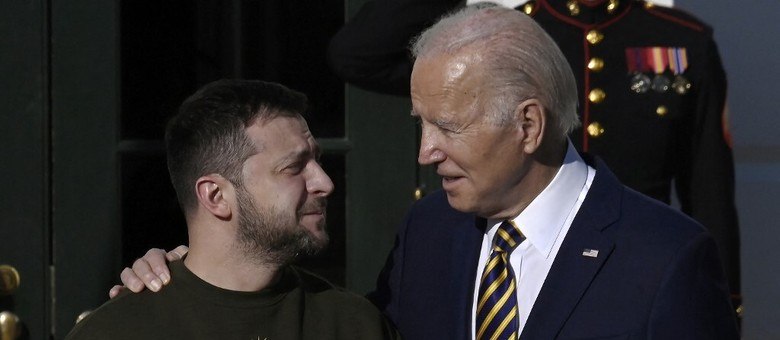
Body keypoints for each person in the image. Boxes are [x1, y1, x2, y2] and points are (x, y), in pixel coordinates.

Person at [116, 6, 738, 339]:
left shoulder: (666, 259)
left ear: (526, 126)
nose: (425, 151)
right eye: (421, 123)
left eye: (448, 127)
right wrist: (190, 282)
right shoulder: (431, 230)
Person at [328, 0, 742, 309]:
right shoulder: (511, 36)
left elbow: (709, 191)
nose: (428, 152)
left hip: (630, 270)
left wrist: (726, 302)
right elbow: (357, 54)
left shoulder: (681, 42)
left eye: (448, 128)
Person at [67, 79, 399, 339]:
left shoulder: (353, 325)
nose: (325, 183)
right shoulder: (119, 331)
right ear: (215, 196)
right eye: (294, 167)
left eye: (318, 161)